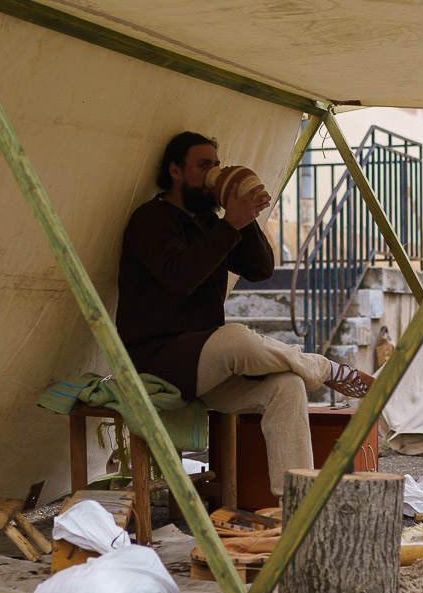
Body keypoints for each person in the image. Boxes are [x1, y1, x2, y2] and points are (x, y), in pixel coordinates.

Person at [116, 131, 375, 499]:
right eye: (204, 165)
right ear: (175, 170)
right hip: (156, 359)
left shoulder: (210, 222)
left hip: (204, 363)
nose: (213, 173)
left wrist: (243, 214)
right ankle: (326, 368)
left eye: (217, 165)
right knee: (235, 337)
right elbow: (180, 278)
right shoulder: (150, 220)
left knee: (288, 386)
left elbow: (261, 268)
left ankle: (297, 505)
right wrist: (228, 224)